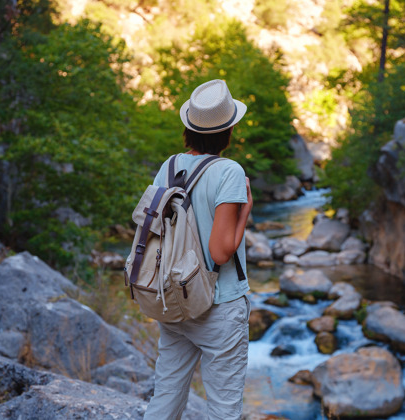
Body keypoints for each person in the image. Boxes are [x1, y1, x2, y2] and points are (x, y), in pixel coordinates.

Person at [142, 79, 252, 420]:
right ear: (228, 130)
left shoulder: (170, 166)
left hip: (175, 297)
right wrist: (245, 209)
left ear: (189, 127)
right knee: (223, 409)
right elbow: (220, 252)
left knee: (166, 396)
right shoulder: (229, 172)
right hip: (219, 305)